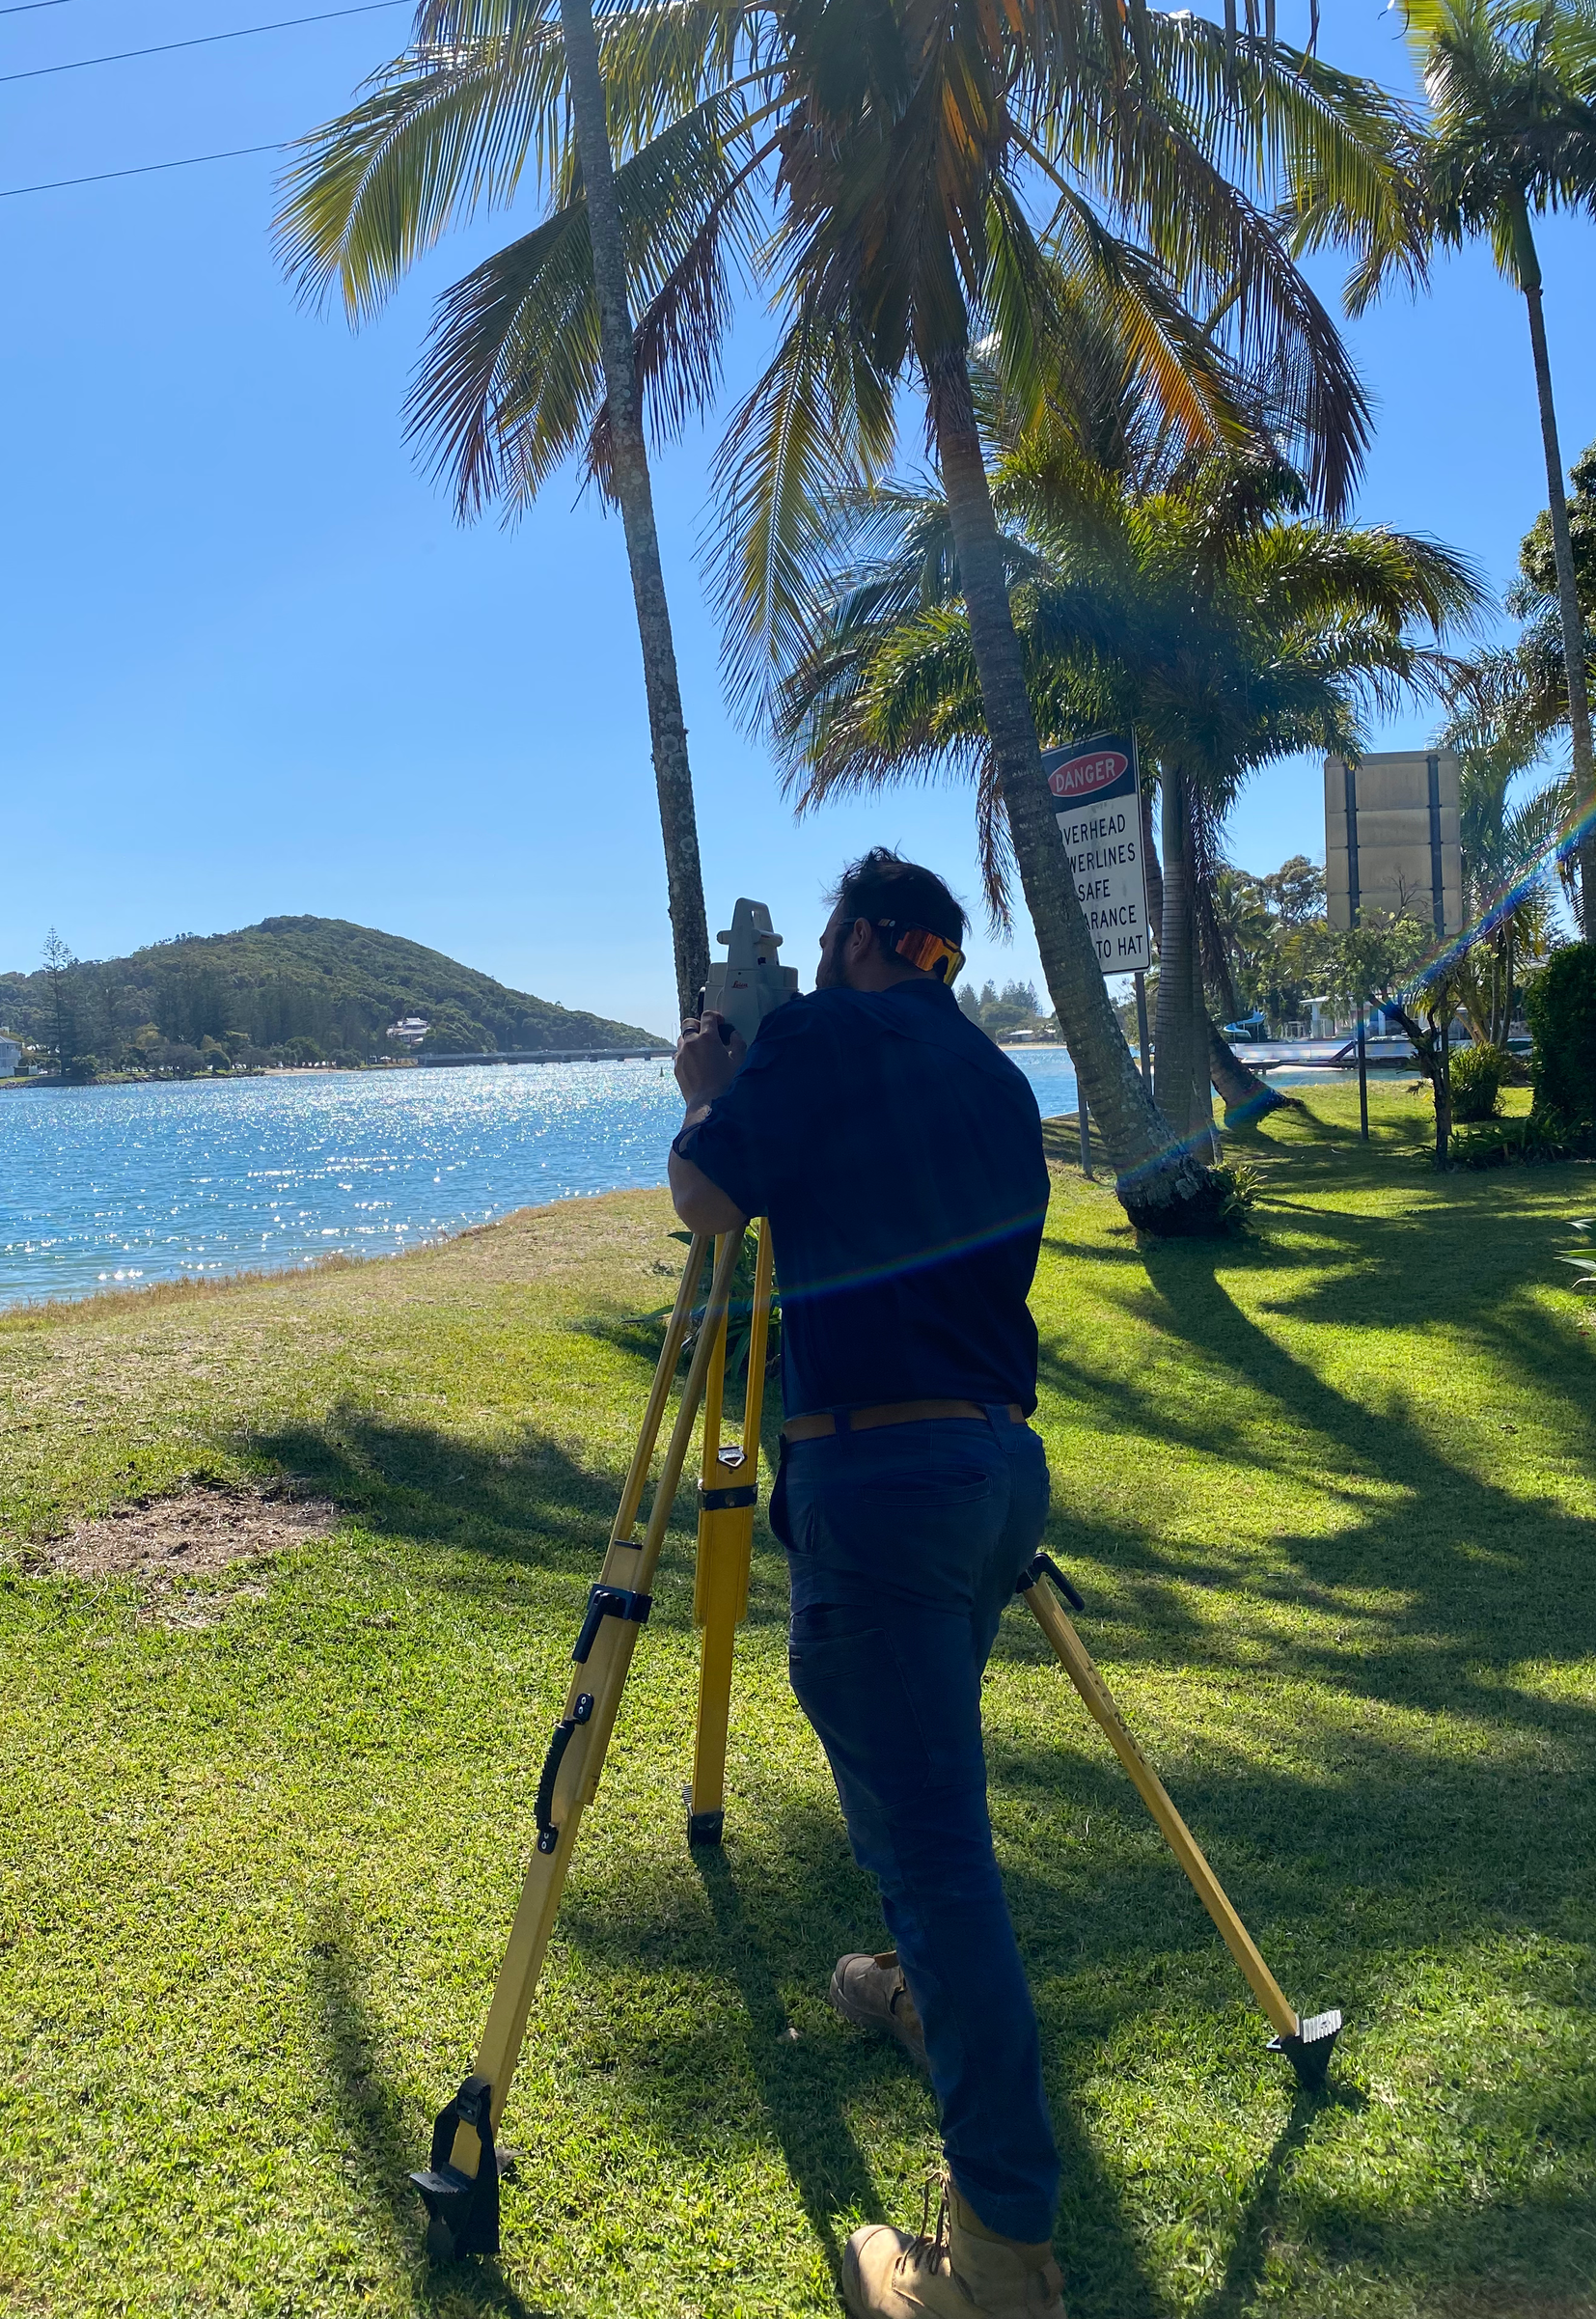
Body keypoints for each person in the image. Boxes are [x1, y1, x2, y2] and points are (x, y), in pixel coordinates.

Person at [670, 849, 1065, 2319]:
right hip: (993, 1471)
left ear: (855, 944)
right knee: (924, 1793)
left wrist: (712, 1084)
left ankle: (1005, 2262)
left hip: (880, 1480)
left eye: (832, 941)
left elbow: (708, 1200)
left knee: (939, 1851)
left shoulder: (825, 1037)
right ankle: (911, 1982)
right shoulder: (995, 1078)